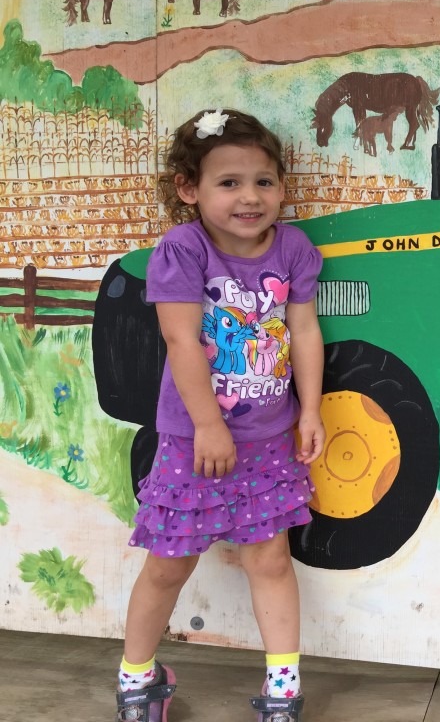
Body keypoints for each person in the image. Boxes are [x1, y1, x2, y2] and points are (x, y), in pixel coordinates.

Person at [115, 108, 325, 722]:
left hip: (268, 441)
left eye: (264, 181)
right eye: (228, 183)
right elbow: (182, 342)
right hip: (194, 442)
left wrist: (309, 411)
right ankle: (137, 679)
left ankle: (282, 688)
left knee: (270, 559)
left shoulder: (293, 249)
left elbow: (304, 329)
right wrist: (207, 423)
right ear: (190, 189)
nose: (250, 197)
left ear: (282, 186)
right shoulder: (183, 249)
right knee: (168, 564)